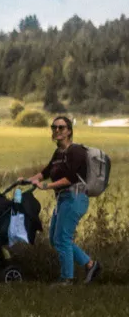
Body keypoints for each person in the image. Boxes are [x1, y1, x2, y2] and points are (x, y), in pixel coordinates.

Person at [30, 115, 101, 284]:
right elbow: (47, 171)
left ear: (69, 131)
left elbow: (70, 178)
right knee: (56, 239)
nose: (56, 130)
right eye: (54, 127)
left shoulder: (76, 151)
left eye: (61, 127)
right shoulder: (58, 152)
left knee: (63, 238)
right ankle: (91, 264)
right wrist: (30, 179)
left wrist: (46, 186)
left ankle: (66, 279)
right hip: (63, 199)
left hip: (75, 198)